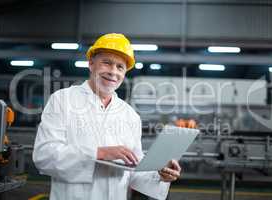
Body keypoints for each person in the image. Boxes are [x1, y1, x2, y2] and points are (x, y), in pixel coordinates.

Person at [33, 33, 182, 200]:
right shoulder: (63, 100)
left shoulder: (130, 115)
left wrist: (160, 174)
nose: (113, 72)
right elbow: (44, 156)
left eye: (120, 67)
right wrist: (99, 153)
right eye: (106, 63)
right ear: (91, 64)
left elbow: (135, 172)